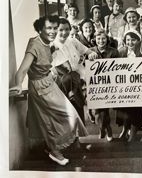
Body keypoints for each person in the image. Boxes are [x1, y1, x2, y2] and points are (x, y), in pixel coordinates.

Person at [9, 15, 88, 166]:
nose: (52, 31)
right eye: (48, 28)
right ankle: (54, 151)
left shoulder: (48, 43)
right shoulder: (34, 44)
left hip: (49, 83)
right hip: (39, 87)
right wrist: (19, 84)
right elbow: (23, 69)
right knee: (50, 120)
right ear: (40, 29)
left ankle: (52, 147)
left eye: (54, 28)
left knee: (70, 115)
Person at [51, 17, 98, 123]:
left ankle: (77, 136)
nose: (64, 32)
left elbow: (87, 51)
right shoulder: (51, 45)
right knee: (64, 109)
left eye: (67, 29)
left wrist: (92, 54)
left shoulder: (72, 41)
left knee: (77, 106)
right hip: (61, 81)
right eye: (61, 30)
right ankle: (67, 136)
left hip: (76, 79)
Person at [89, 29, 120, 141]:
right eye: (98, 39)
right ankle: (104, 127)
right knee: (97, 111)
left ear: (107, 39)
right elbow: (84, 66)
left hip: (109, 84)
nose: (101, 41)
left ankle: (106, 129)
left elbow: (119, 68)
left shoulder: (114, 52)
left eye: (103, 38)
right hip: (94, 85)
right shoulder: (90, 51)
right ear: (95, 40)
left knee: (105, 110)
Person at [116, 30, 142, 142]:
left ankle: (132, 134)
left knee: (135, 111)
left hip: (137, 86)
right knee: (125, 111)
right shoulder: (121, 51)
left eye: (133, 39)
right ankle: (124, 130)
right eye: (128, 40)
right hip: (123, 86)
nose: (130, 42)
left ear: (138, 40)